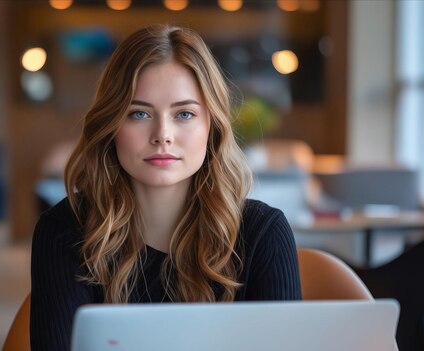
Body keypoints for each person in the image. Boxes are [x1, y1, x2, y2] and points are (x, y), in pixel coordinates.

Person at [29, 24, 301, 351]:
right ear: (111, 125)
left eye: (184, 114)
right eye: (139, 113)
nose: (163, 135)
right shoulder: (63, 232)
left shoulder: (263, 234)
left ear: (211, 127)